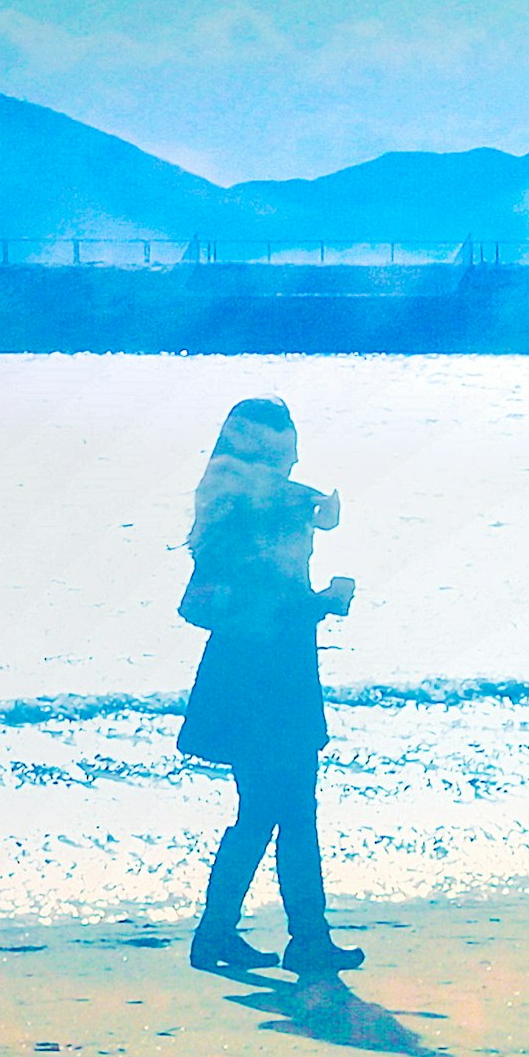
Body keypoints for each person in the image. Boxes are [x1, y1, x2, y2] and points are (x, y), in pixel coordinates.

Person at [177, 396, 363, 980]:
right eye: (284, 448)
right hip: (273, 680)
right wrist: (324, 602)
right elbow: (272, 604)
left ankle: (223, 934)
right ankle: (303, 938)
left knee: (262, 810)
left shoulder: (228, 506)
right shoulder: (263, 509)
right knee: (290, 810)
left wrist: (311, 602)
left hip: (243, 678)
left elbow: (224, 599)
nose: (291, 459)